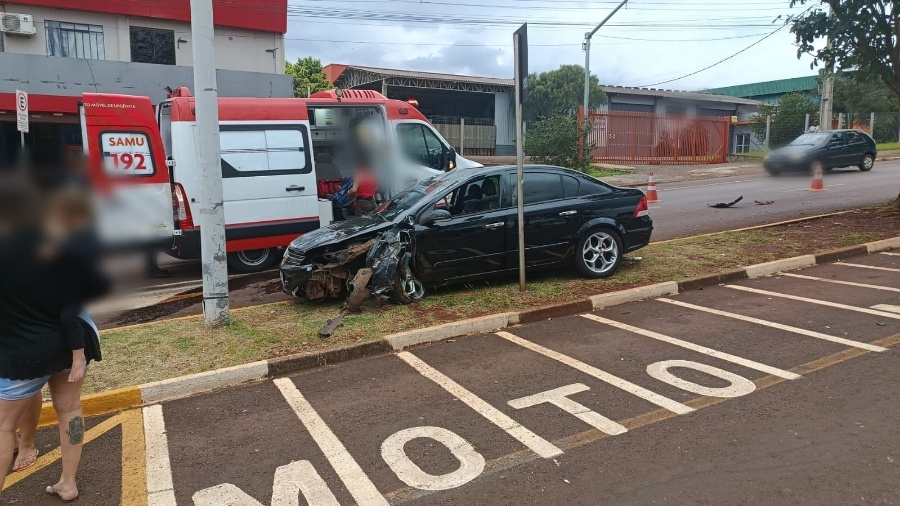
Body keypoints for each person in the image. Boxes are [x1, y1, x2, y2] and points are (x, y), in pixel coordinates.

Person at [0, 175, 93, 502]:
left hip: (22, 351)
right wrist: (78, 354)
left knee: (3, 426)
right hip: (69, 345)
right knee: (69, 410)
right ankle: (68, 483)